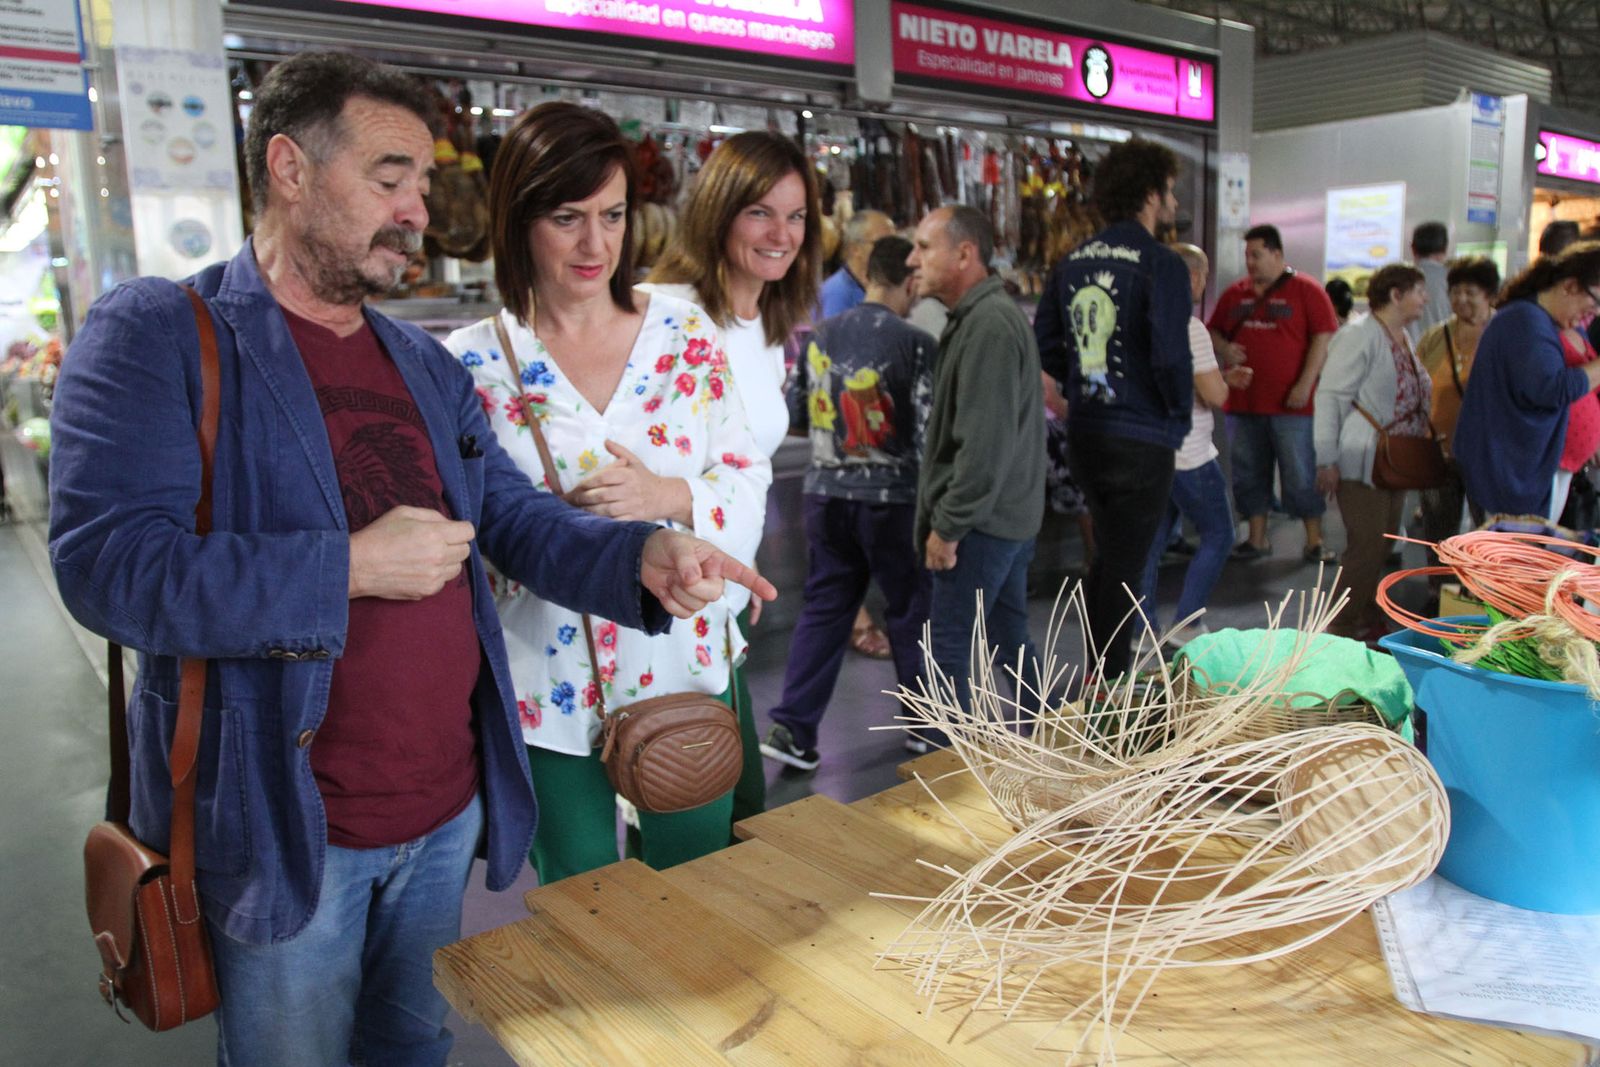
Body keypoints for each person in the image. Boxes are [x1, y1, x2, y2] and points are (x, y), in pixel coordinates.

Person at [46, 52, 774, 1067]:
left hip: (441, 813)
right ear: (291, 169)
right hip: (289, 828)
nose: (417, 208)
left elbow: (511, 519)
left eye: (424, 183)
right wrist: (343, 565)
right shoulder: (166, 333)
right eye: (389, 177)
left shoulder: (422, 364)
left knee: (412, 1045)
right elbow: (109, 566)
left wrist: (644, 553)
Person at [441, 103, 771, 881]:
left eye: (613, 215)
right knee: (583, 897)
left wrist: (673, 492)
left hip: (680, 659)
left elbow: (744, 472)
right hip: (544, 675)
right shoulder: (471, 363)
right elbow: (474, 525)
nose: (597, 244)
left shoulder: (685, 335)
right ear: (519, 219)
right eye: (567, 217)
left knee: (701, 884)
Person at [640, 131, 824, 818]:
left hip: (719, 599)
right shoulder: (665, 311)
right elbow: (631, 466)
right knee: (687, 806)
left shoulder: (765, 318)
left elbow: (740, 462)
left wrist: (738, 555)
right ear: (719, 211)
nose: (782, 233)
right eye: (760, 212)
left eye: (797, 215)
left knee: (732, 805)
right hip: (665, 600)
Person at [760, 235, 935, 769]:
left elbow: (794, 410)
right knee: (910, 611)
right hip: (893, 500)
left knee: (825, 608)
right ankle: (926, 730)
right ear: (909, 281)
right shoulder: (915, 342)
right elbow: (928, 432)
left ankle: (793, 730)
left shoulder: (820, 335)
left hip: (825, 494)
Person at [1034, 138, 1193, 678]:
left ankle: (1101, 674)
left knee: (1108, 555)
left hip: (1087, 433)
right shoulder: (1161, 264)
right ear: (1150, 194)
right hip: (1143, 435)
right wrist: (1177, 418)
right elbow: (1172, 354)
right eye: (1169, 192)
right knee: (1129, 564)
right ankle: (1110, 682)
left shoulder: (1071, 261)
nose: (1172, 204)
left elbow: (1047, 345)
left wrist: (1082, 382)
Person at [909, 204, 1044, 738]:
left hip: (982, 522)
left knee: (949, 644)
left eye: (924, 247)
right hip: (1004, 516)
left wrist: (948, 527)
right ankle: (1049, 731)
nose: (913, 259)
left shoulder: (987, 326)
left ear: (964, 254)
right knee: (1008, 632)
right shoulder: (981, 318)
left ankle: (948, 764)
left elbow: (982, 447)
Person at [1138, 244, 1252, 647]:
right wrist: (1222, 383)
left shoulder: (1141, 323)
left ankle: (1141, 629)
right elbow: (1214, 396)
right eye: (1202, 274)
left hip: (1153, 451)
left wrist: (1217, 379)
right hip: (1190, 454)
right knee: (1220, 533)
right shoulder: (1189, 327)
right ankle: (1187, 621)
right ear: (1191, 278)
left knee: (1151, 544)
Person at [1210, 223, 1340, 564]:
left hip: (1292, 406)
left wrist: (1305, 384)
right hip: (1243, 404)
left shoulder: (1306, 290)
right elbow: (1213, 331)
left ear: (1277, 254)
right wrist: (1226, 347)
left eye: (1257, 255)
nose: (1251, 263)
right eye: (1247, 256)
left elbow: (1323, 338)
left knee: (1300, 475)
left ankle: (1314, 541)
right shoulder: (1235, 294)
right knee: (1248, 473)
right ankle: (1256, 539)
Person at [1314, 264, 1432, 641]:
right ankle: (1340, 627)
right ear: (1395, 295)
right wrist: (1325, 458)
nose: (1424, 299)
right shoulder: (1359, 335)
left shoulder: (1401, 334)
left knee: (1380, 545)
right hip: (1362, 458)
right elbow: (1331, 397)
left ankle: (1364, 617)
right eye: (1418, 291)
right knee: (1366, 546)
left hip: (1392, 459)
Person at [1455, 242, 1600, 520]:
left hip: (1522, 467)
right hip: (1507, 470)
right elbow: (1552, 389)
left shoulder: (1537, 319)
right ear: (1570, 286)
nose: (1591, 316)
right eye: (1593, 304)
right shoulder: (1525, 322)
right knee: (1506, 559)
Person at [815, 207, 898, 659]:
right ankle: (858, 618)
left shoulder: (867, 288)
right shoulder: (838, 294)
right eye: (880, 244)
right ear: (854, 250)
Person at [1415, 256, 1499, 557]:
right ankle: (1439, 592)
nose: (1461, 299)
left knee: (1489, 533)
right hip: (1440, 450)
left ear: (1489, 295)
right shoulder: (1436, 336)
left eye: (1470, 292)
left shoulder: (1503, 334)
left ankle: (1486, 598)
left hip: (1487, 453)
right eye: (1455, 291)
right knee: (1437, 530)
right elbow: (1417, 385)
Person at [818, 209, 895, 319]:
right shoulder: (837, 293)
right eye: (882, 243)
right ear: (855, 249)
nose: (891, 250)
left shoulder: (884, 284)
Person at [1410, 221, 1451, 337]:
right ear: (1445, 249)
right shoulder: (1453, 282)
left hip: (1407, 353)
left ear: (1413, 248)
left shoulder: (1398, 281)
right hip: (1442, 352)